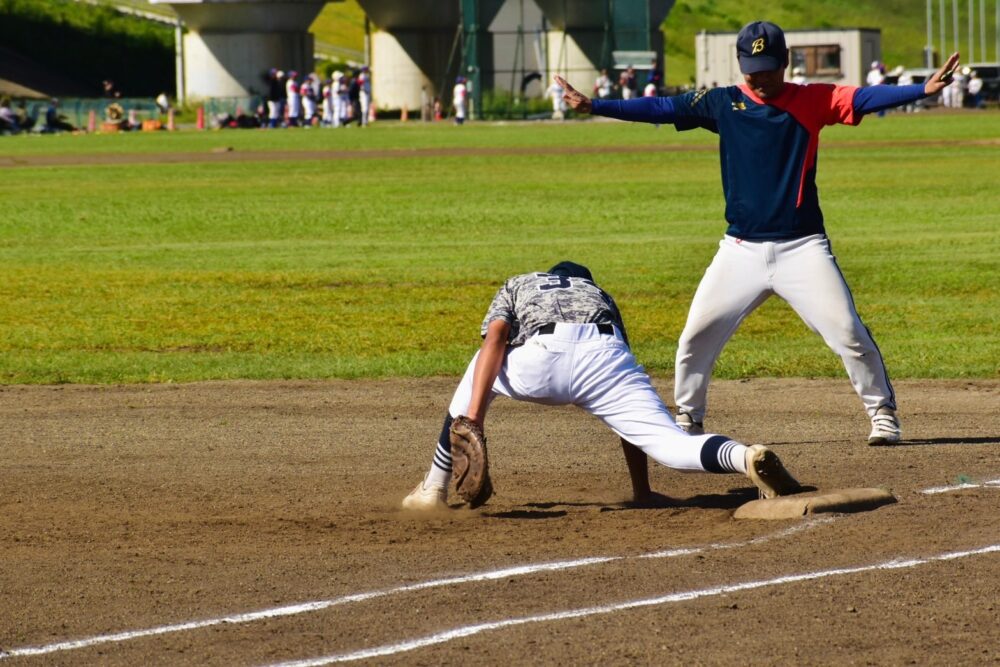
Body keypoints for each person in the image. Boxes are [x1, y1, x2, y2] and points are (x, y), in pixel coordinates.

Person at [554, 21, 961, 446]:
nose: (759, 77)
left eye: (767, 67)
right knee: (696, 337)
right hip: (740, 250)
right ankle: (688, 421)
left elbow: (864, 96)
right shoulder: (721, 103)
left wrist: (921, 90)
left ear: (785, 62)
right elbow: (662, 108)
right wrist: (595, 106)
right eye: (752, 68)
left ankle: (882, 413)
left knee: (847, 332)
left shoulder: (812, 100)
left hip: (802, 248)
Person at [402, 261, 802, 511]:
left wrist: (474, 418)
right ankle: (744, 456)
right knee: (670, 444)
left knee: (481, 363)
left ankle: (433, 488)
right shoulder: (600, 295)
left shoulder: (520, 283)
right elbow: (626, 423)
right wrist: (641, 491)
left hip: (539, 357)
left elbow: (496, 340)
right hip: (604, 356)